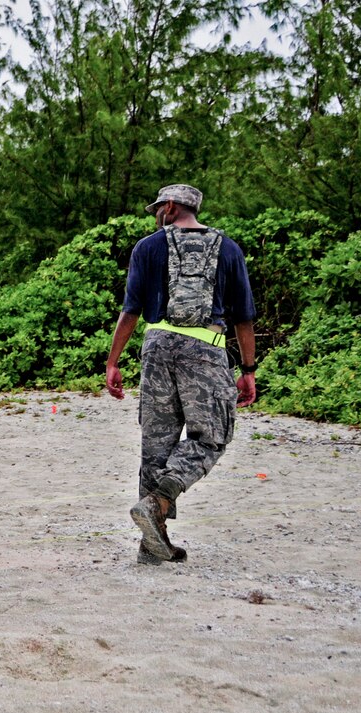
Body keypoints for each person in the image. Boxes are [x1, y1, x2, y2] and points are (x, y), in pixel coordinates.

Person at [105, 184, 257, 565]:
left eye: (158, 208)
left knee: (155, 447)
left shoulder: (147, 247)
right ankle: (158, 503)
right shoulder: (229, 249)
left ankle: (151, 546)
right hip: (205, 349)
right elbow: (244, 317)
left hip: (157, 347)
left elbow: (131, 310)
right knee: (211, 436)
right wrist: (248, 370)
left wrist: (113, 361)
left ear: (170, 207)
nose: (156, 214)